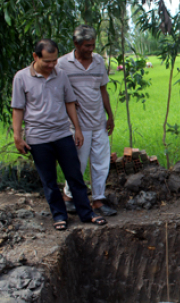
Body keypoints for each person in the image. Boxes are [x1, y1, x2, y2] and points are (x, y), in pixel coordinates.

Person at [11, 39, 107, 230]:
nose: (52, 65)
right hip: (38, 138)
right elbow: (18, 109)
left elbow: (69, 102)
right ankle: (59, 215)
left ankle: (86, 213)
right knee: (49, 180)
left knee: (75, 176)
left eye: (54, 60)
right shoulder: (21, 78)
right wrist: (17, 136)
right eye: (47, 61)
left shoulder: (61, 75)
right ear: (35, 57)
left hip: (63, 134)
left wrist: (77, 129)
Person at [57, 24, 117, 216]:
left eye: (92, 45)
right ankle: (68, 197)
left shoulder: (98, 61)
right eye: (86, 46)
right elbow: (58, 94)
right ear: (76, 44)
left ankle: (98, 200)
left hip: (98, 120)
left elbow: (103, 90)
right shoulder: (62, 64)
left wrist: (110, 115)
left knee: (101, 162)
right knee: (78, 163)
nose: (90, 50)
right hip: (77, 125)